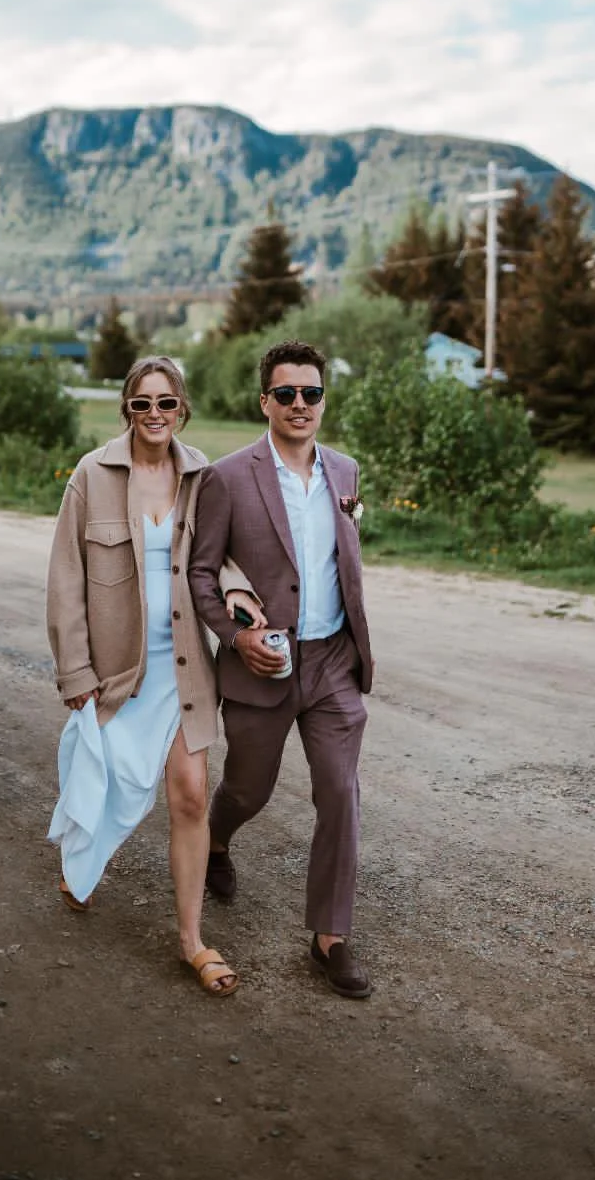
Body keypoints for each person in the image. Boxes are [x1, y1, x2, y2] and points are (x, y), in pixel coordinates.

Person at [45, 355, 264, 997]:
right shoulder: (93, 474)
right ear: (127, 410)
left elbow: (220, 557)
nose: (155, 415)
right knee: (106, 776)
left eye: (166, 402)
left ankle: (191, 941)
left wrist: (240, 593)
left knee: (191, 793)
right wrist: (75, 670)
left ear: (182, 408)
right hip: (118, 672)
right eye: (142, 403)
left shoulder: (202, 477)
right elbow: (65, 579)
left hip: (185, 667)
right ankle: (81, 857)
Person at [188, 339, 374, 999]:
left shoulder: (346, 472)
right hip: (262, 664)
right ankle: (215, 840)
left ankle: (331, 936)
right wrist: (239, 640)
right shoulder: (229, 476)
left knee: (341, 793)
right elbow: (202, 573)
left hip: (332, 663)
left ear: (324, 399)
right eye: (287, 393)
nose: (301, 404)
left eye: (312, 393)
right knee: (249, 788)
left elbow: (340, 563)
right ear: (265, 400)